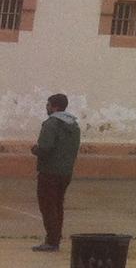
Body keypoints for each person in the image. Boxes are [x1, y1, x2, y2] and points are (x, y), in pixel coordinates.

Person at [30, 93, 80, 254]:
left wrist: (35, 150)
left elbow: (45, 148)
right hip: (65, 172)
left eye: (48, 104)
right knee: (58, 204)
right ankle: (55, 237)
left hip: (49, 171)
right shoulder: (74, 126)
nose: (46, 107)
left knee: (47, 205)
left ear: (54, 106)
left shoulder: (51, 124)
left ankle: (52, 240)